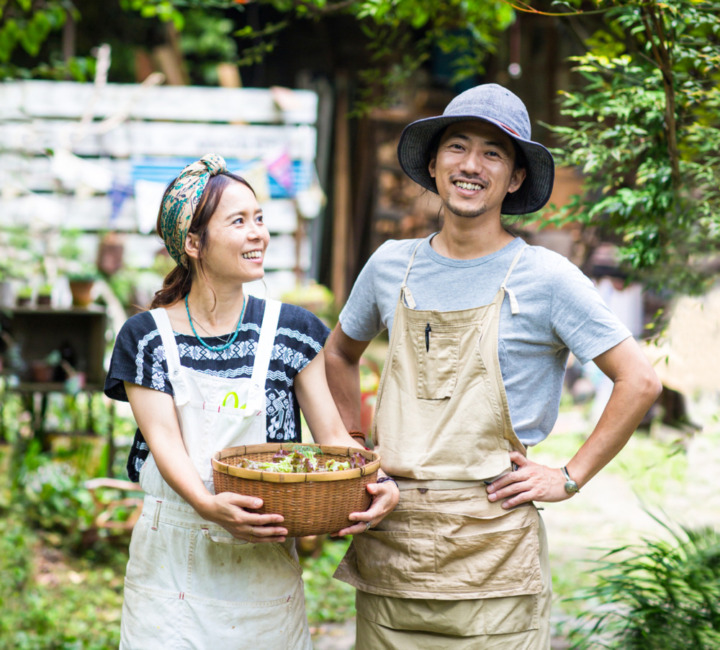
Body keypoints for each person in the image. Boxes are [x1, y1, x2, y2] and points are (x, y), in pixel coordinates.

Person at [324, 84, 662, 648]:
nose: (471, 165)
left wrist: (568, 477)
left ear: (516, 178)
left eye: (493, 153)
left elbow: (640, 379)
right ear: (433, 164)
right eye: (457, 146)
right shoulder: (390, 266)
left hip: (493, 556)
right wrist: (353, 444)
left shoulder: (547, 278)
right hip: (393, 543)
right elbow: (337, 353)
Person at [104, 154, 399, 649]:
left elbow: (330, 440)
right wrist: (209, 505)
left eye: (259, 218)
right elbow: (165, 445)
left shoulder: (294, 332)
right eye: (238, 222)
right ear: (193, 243)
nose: (258, 233)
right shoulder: (146, 338)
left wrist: (377, 481)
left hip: (262, 568)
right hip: (171, 570)